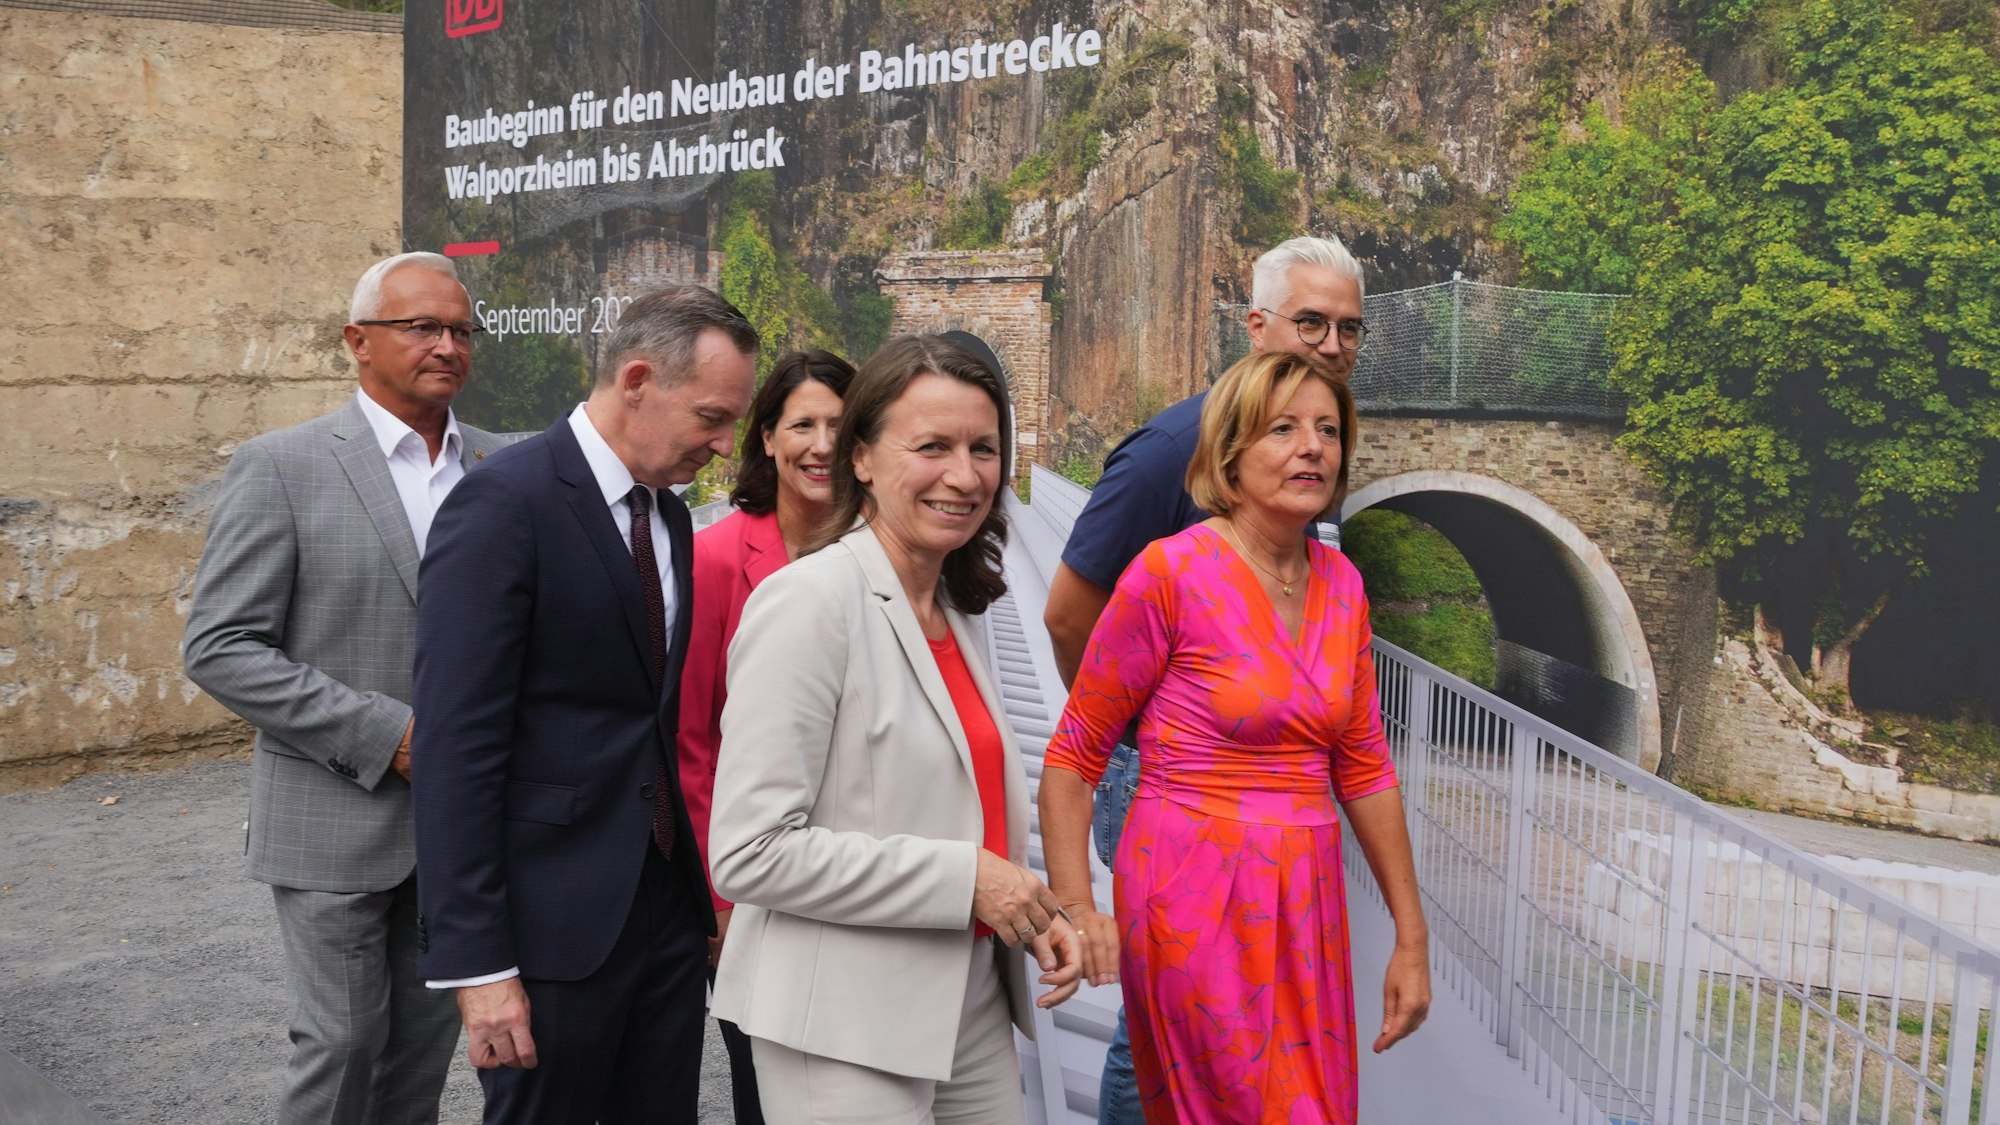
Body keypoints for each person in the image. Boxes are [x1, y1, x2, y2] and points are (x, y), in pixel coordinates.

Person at [1039, 350, 1430, 1123]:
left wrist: (1411, 937)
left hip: (1306, 901)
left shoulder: (1342, 586)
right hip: (1193, 892)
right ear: (1229, 454)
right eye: (1282, 429)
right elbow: (1074, 758)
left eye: (1326, 429)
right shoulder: (1169, 575)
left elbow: (1364, 766)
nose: (1312, 447)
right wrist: (1081, 911)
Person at [708, 335, 1085, 1125]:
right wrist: (969, 880)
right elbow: (751, 850)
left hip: (967, 1000)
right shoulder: (810, 601)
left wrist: (1028, 911)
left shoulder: (949, 607)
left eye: (984, 448)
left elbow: (947, 804)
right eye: (933, 446)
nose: (966, 473)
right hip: (843, 1023)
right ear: (864, 459)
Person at [409, 285, 758, 1124]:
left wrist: (695, 902)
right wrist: (479, 966)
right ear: (637, 378)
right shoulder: (502, 504)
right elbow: (456, 751)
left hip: (663, 918)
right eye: (712, 416)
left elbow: (650, 719)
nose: (725, 443)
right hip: (548, 934)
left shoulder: (668, 517)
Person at [182, 251, 513, 1125]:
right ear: (356, 341)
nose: (446, 344)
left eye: (459, 330)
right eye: (421, 327)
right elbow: (220, 645)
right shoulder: (282, 466)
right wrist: (391, 735)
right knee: (340, 1044)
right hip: (332, 814)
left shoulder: (504, 468)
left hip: (461, 829)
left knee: (418, 1057)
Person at [676, 347, 856, 1124]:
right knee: (768, 1090)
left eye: (840, 426)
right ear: (769, 439)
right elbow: (692, 743)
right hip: (755, 887)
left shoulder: (886, 553)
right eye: (802, 424)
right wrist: (721, 900)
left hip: (858, 876)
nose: (821, 444)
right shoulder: (715, 558)